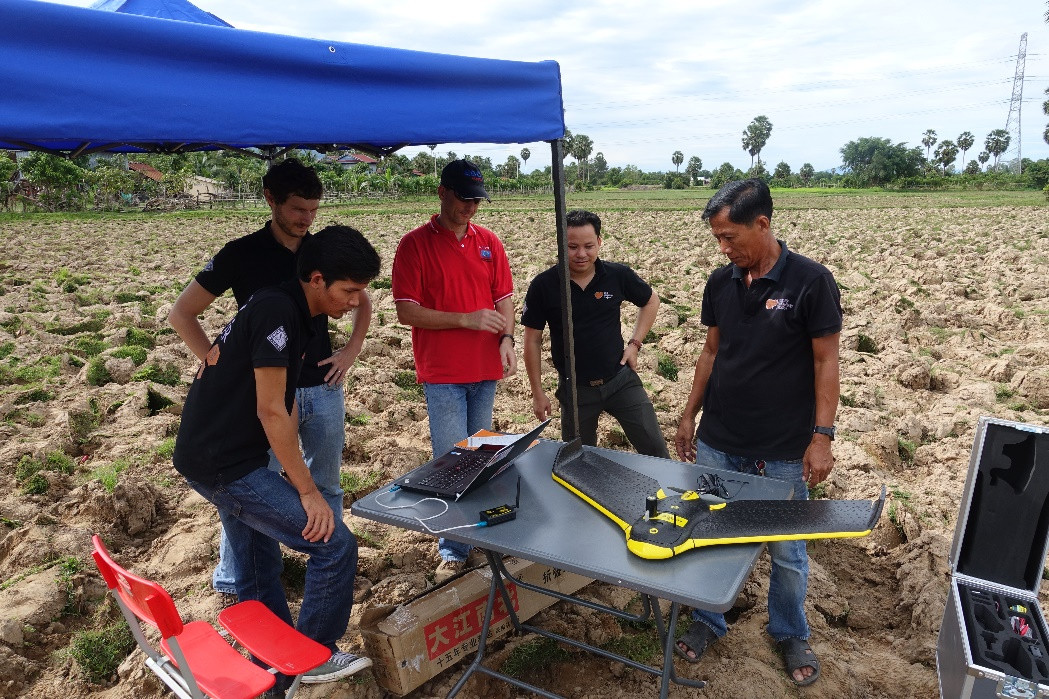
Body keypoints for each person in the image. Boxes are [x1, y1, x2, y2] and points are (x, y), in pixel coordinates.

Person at [173, 226, 381, 686]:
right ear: (316, 278)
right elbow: (271, 410)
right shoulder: (277, 314)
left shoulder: (293, 308)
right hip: (224, 462)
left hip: (211, 451)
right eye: (349, 291)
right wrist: (306, 491)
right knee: (335, 544)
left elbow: (282, 400)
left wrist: (287, 478)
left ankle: (271, 664)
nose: (354, 302)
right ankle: (311, 658)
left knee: (253, 554)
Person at [168, 157, 371, 601]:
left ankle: (326, 564)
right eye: (298, 209)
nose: (306, 220)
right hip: (266, 398)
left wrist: (350, 351)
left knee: (322, 485)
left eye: (314, 211)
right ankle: (241, 578)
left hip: (318, 384)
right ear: (271, 200)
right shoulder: (241, 253)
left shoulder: (323, 252)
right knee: (253, 490)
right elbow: (181, 313)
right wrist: (214, 364)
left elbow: (363, 297)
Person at [672, 179, 841, 687]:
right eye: (717, 240)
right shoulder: (721, 283)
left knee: (787, 550)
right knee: (709, 534)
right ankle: (708, 618)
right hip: (720, 440)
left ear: (762, 224)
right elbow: (711, 352)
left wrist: (822, 436)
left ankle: (788, 630)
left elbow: (825, 360)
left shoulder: (811, 282)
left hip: (783, 450)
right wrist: (689, 415)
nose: (723, 249)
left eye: (729, 237)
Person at [391, 159, 517, 583]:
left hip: (485, 369)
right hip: (443, 372)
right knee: (450, 460)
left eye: (477, 200)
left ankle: (477, 535)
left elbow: (503, 299)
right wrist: (466, 319)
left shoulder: (489, 243)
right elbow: (407, 311)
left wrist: (506, 340)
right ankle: (453, 546)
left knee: (482, 457)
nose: (470, 208)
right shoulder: (414, 246)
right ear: (442, 191)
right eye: (464, 198)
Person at [521, 209, 669, 458]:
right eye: (572, 246)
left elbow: (651, 301)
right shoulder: (544, 285)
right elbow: (532, 340)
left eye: (589, 246)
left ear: (599, 242)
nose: (581, 254)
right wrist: (538, 393)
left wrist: (634, 344)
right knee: (577, 460)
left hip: (620, 381)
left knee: (655, 448)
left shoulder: (616, 275)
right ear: (560, 245)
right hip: (575, 389)